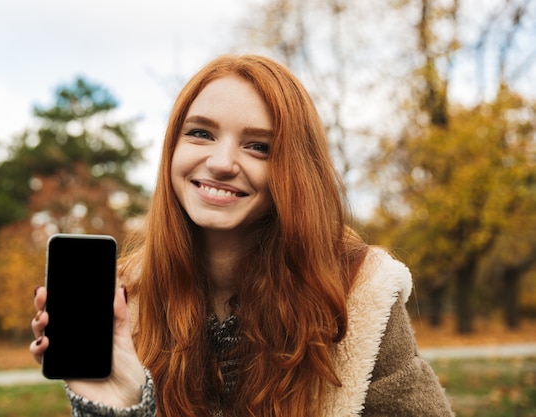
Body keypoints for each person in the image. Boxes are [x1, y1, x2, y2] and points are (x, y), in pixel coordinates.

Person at [30, 54, 454, 416]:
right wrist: (121, 404)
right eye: (200, 133)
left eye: (258, 146)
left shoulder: (356, 292)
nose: (222, 162)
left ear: (295, 172)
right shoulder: (129, 301)